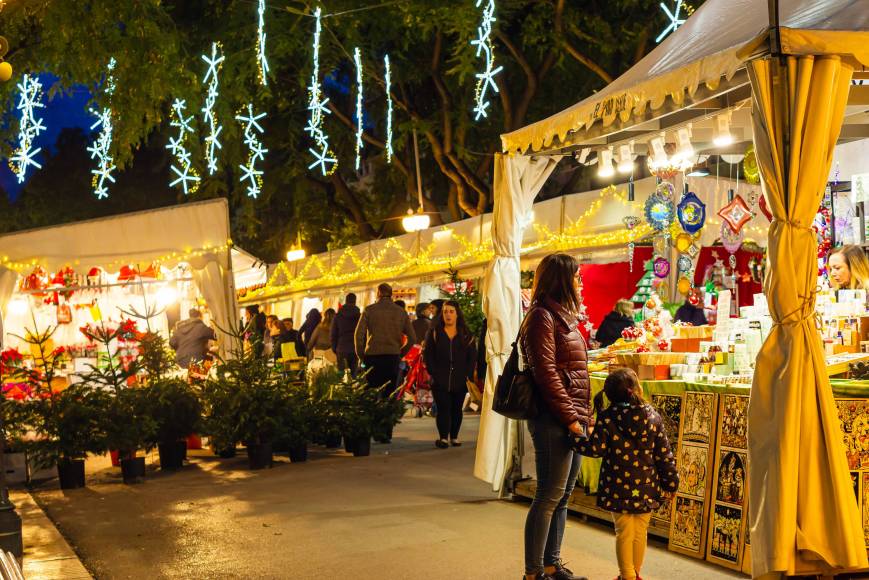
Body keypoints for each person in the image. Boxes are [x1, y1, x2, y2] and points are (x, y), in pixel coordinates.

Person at [521, 253, 592, 580]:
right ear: (562, 280)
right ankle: (533, 572)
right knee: (548, 496)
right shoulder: (542, 317)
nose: (581, 283)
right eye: (577, 277)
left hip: (570, 415)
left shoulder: (563, 316)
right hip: (553, 419)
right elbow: (546, 375)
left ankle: (552, 563)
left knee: (562, 496)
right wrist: (570, 419)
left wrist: (580, 418)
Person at [582, 369, 679, 580]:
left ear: (608, 394)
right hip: (646, 487)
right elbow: (664, 455)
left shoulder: (607, 417)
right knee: (640, 532)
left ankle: (627, 576)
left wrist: (575, 438)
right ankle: (634, 574)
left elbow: (595, 449)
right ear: (636, 389)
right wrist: (671, 484)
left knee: (623, 532)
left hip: (617, 486)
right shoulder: (653, 417)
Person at [423, 300, 476, 449]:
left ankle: (454, 436)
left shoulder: (466, 334)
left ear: (457, 314)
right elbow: (428, 355)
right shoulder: (434, 332)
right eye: (445, 311)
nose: (448, 314)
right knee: (444, 408)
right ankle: (443, 438)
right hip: (440, 378)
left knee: (456, 409)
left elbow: (472, 356)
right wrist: (433, 372)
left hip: (460, 378)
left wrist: (468, 374)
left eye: (451, 311)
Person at [355, 283, 416, 401]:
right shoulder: (400, 312)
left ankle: (372, 417)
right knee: (390, 393)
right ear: (391, 294)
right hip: (392, 356)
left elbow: (358, 335)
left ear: (378, 293)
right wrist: (400, 353)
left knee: (371, 391)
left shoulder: (369, 310)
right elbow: (412, 338)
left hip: (372, 356)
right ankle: (387, 417)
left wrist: (361, 355)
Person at [332, 293, 361, 375]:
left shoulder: (338, 315)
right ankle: (352, 387)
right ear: (355, 301)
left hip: (341, 348)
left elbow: (333, 333)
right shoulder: (359, 316)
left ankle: (341, 388)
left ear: (346, 301)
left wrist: (335, 348)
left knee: (341, 374)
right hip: (354, 349)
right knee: (353, 374)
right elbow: (362, 333)